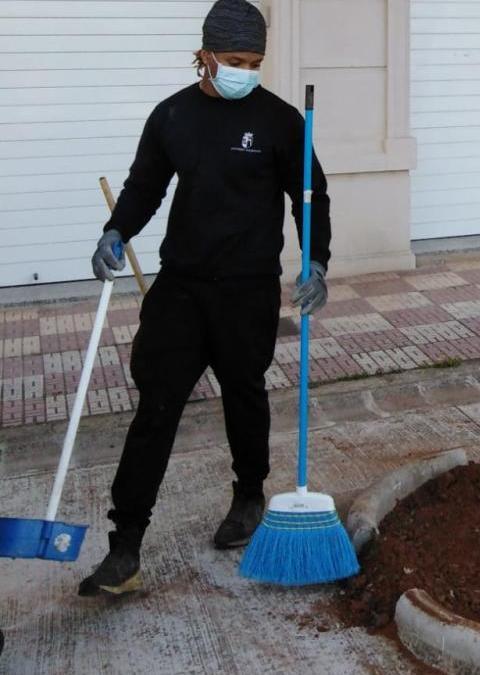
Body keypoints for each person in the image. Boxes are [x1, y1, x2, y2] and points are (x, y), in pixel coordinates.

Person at [79, 0, 332, 596]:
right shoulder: (172, 117)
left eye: (255, 61)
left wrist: (316, 259)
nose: (246, 70)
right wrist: (117, 231)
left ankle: (248, 494)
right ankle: (125, 547)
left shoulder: (281, 121)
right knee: (156, 407)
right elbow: (145, 186)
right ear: (207, 55)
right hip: (182, 288)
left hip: (247, 290)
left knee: (244, 394)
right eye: (235, 60)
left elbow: (310, 195)